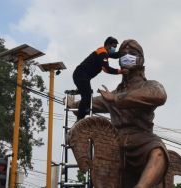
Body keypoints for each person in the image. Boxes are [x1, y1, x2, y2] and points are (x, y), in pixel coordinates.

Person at [69, 39, 169, 187]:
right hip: (116, 140)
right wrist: (73, 105)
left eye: (132, 54)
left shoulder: (150, 85)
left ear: (141, 59)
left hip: (142, 139)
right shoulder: (112, 93)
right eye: (123, 54)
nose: (127, 57)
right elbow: (91, 103)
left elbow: (160, 95)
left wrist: (117, 99)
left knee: (158, 152)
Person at [73, 36, 128, 121]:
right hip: (80, 75)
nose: (114, 48)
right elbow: (106, 69)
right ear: (108, 45)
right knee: (87, 96)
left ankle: (83, 102)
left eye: (115, 47)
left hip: (82, 76)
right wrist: (120, 71)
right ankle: (79, 119)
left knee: (87, 95)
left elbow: (115, 55)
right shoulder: (102, 53)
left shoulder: (104, 51)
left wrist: (125, 52)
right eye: (113, 46)